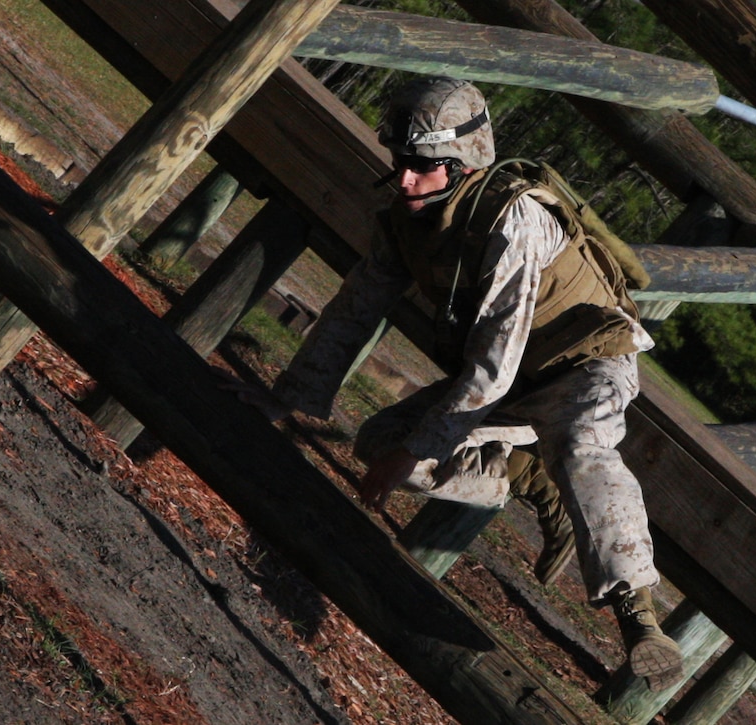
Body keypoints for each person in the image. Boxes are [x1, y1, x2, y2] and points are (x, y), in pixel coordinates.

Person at [222, 76, 683, 690]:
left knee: (578, 446)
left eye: (423, 165)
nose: (406, 178)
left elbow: (491, 366)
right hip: (512, 378)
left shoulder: (515, 219)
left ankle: (640, 619)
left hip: (586, 364)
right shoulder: (404, 220)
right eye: (402, 162)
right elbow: (355, 308)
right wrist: (291, 398)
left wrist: (424, 445)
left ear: (463, 165)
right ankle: (530, 478)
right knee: (381, 444)